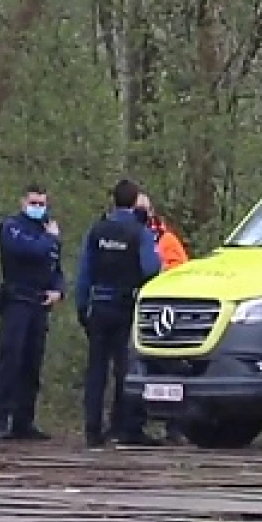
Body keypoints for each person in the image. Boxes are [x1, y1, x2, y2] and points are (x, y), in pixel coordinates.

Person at [75, 179, 162, 447]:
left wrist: (82, 307)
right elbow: (151, 268)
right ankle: (126, 428)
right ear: (135, 201)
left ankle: (92, 430)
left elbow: (84, 273)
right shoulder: (140, 232)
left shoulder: (96, 230)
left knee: (96, 369)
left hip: (98, 305)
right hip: (127, 307)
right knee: (126, 369)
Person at [0, 184, 64, 441]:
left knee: (32, 364)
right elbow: (28, 251)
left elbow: (55, 265)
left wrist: (58, 290)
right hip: (17, 301)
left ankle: (24, 421)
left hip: (40, 303)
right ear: (23, 202)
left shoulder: (47, 229)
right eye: (33, 202)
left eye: (42, 203)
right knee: (11, 361)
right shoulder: (12, 227)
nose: (38, 208)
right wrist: (51, 238)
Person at [137, 192, 190, 443]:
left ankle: (175, 426)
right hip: (142, 311)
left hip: (168, 312)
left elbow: (182, 269)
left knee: (171, 369)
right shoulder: (135, 235)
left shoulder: (166, 239)